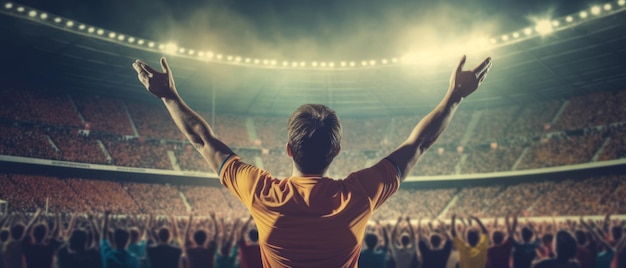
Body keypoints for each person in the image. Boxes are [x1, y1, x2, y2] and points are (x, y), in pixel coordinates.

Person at [132, 54, 491, 267]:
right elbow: (419, 144)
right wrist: (454, 97)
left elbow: (201, 140)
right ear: (335, 152)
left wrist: (168, 96)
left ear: (289, 149)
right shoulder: (359, 195)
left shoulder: (261, 192)